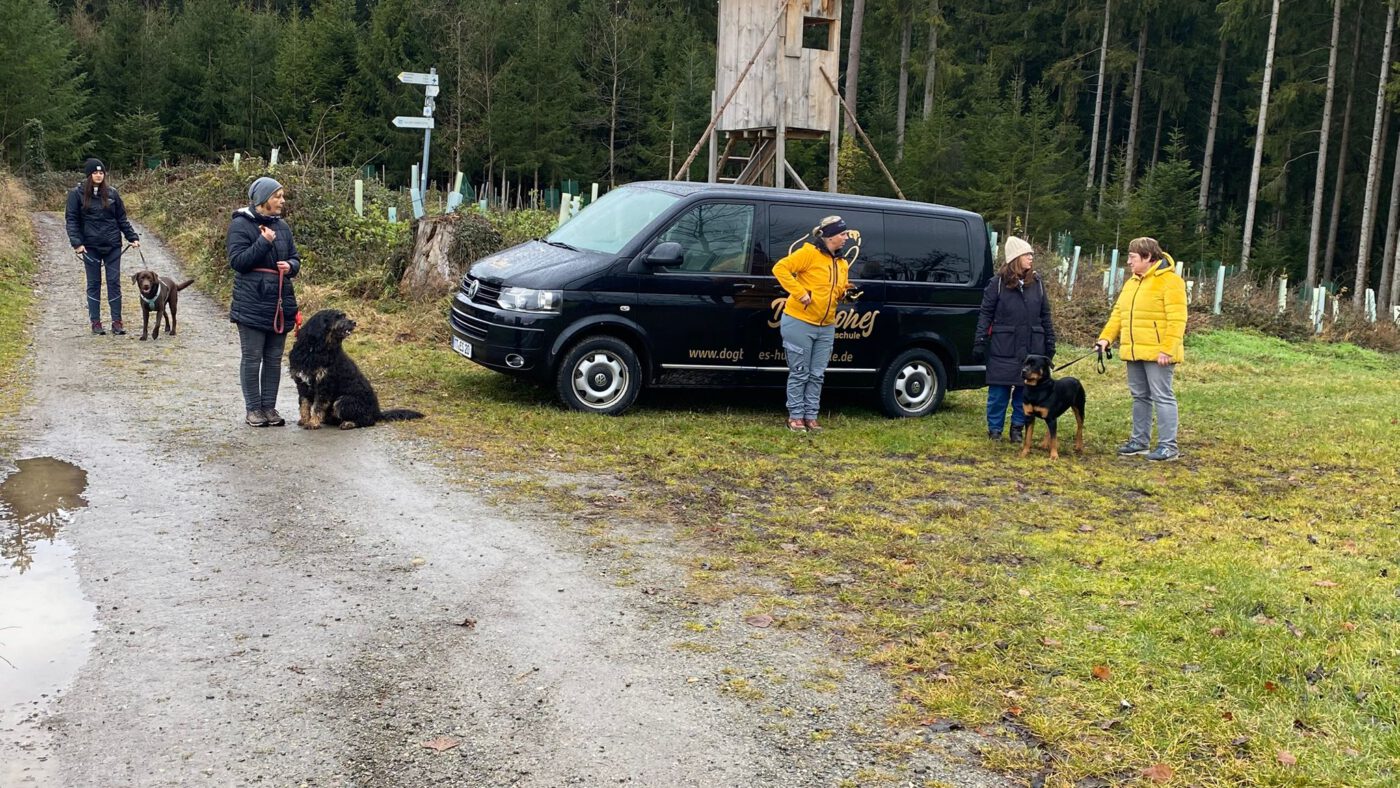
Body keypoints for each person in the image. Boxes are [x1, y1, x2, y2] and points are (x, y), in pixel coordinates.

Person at [1095, 236, 1187, 462]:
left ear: (1147, 257)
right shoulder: (1132, 283)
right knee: (1140, 396)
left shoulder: (1171, 282)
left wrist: (1167, 349)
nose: (1129, 262)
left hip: (1159, 354)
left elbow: (1177, 319)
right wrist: (1105, 338)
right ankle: (1139, 441)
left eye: (1133, 257)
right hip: (1133, 351)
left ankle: (1168, 446)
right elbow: (1118, 313)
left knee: (1162, 396)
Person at [227, 176, 300, 427]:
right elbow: (238, 262)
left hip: (279, 300)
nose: (282, 200)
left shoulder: (283, 226)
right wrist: (263, 242)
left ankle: (269, 407)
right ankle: (253, 410)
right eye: (277, 196)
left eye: (282, 196)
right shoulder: (240, 225)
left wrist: (290, 266)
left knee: (273, 358)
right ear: (262, 200)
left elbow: (295, 258)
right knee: (252, 356)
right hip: (251, 300)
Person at [772, 215, 854, 433]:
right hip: (799, 321)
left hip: (826, 325)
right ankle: (795, 416)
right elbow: (780, 268)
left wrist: (846, 293)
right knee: (800, 371)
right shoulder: (809, 253)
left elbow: (838, 289)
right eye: (842, 234)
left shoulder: (842, 262)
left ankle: (811, 416)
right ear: (829, 236)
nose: (846, 237)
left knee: (817, 374)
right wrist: (800, 294)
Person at [972, 236, 1055, 443]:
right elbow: (985, 313)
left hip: (1032, 347)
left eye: (1031, 255)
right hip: (1003, 346)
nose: (1031, 258)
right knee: (998, 393)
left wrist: (1050, 341)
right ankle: (995, 430)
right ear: (1016, 258)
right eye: (1027, 254)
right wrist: (980, 340)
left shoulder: (1037, 283)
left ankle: (1018, 428)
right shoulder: (996, 284)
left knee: (1023, 391)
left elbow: (1045, 315)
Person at [65, 158, 140, 335]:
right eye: (95, 172)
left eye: (101, 173)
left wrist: (132, 236)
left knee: (114, 282)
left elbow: (121, 218)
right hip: (90, 246)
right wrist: (77, 243)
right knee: (94, 284)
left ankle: (117, 322)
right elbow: (72, 220)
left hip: (113, 245)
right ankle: (96, 323)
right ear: (89, 175)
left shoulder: (113, 193)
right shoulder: (76, 194)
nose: (98, 175)